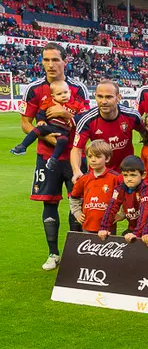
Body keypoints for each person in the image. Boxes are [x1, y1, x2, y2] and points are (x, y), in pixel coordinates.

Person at [21, 43, 90, 270]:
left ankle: (75, 253)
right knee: (49, 203)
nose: (51, 64)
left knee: (77, 203)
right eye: (46, 60)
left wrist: (65, 112)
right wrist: (51, 140)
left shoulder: (78, 88)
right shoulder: (34, 89)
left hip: (75, 157)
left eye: (55, 60)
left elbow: (86, 119)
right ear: (42, 62)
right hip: (46, 157)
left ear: (65, 62)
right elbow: (25, 122)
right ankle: (53, 254)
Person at [71, 80, 145, 179]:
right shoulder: (87, 120)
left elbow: (146, 135)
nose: (104, 101)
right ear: (95, 96)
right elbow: (77, 149)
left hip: (126, 174)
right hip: (99, 174)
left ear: (118, 98)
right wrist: (76, 171)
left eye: (109, 97)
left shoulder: (132, 116)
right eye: (100, 96)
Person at [11, 80, 88, 171]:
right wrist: (41, 120)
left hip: (64, 131)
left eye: (65, 92)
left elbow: (84, 119)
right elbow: (41, 112)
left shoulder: (77, 104)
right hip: (50, 127)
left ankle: (53, 159)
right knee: (37, 129)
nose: (63, 95)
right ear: (53, 96)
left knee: (63, 141)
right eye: (59, 94)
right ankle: (23, 146)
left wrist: (66, 115)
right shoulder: (48, 102)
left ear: (70, 92)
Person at [69, 140, 121, 234]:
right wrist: (77, 212)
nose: (93, 159)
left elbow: (127, 197)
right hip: (87, 227)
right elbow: (73, 197)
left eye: (97, 156)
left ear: (107, 158)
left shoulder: (116, 178)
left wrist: (122, 214)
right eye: (90, 156)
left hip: (108, 228)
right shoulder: (84, 179)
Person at [99, 156, 148, 241]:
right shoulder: (121, 188)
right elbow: (112, 206)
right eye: (125, 175)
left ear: (143, 175)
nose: (129, 179)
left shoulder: (146, 189)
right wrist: (104, 227)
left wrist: (137, 232)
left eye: (133, 175)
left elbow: (145, 210)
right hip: (133, 228)